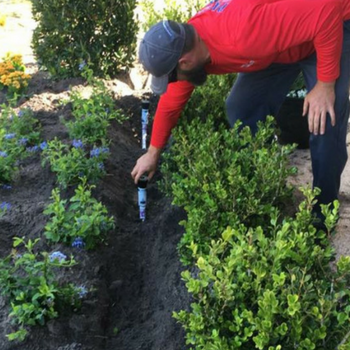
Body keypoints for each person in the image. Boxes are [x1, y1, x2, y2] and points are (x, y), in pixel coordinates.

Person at [131, 0, 350, 225]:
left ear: (184, 62)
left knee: (324, 116)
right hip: (281, 46)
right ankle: (266, 183)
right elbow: (170, 104)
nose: (174, 82)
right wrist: (153, 153)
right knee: (242, 107)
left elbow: (326, 12)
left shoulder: (242, 33)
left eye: (172, 77)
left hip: (331, 25)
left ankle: (323, 212)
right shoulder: (188, 43)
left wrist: (325, 85)